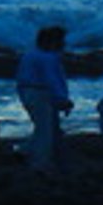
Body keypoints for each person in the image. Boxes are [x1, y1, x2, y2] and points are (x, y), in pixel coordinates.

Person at [15, 26, 73, 172]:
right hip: (40, 93)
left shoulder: (29, 55)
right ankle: (39, 163)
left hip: (27, 92)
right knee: (45, 132)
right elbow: (52, 80)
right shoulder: (48, 58)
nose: (63, 44)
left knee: (45, 127)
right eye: (60, 41)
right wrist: (62, 99)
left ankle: (24, 151)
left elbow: (21, 78)